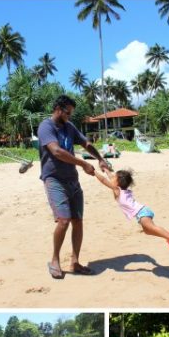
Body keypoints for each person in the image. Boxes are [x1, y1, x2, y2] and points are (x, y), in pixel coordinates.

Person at [38, 94, 110, 279]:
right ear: (58, 109)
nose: (69, 116)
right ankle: (54, 260)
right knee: (63, 220)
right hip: (54, 179)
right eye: (67, 112)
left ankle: (75, 262)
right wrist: (83, 164)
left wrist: (100, 159)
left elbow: (86, 143)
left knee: (77, 220)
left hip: (72, 179)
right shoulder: (46, 127)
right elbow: (56, 151)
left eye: (71, 113)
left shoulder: (69, 127)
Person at [94, 168, 169, 251]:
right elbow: (111, 177)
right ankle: (168, 235)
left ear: (118, 183)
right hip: (142, 212)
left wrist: (94, 172)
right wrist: (106, 170)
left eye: (114, 178)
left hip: (142, 212)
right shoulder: (121, 189)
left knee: (151, 227)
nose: (111, 178)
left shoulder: (117, 190)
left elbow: (103, 180)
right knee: (147, 231)